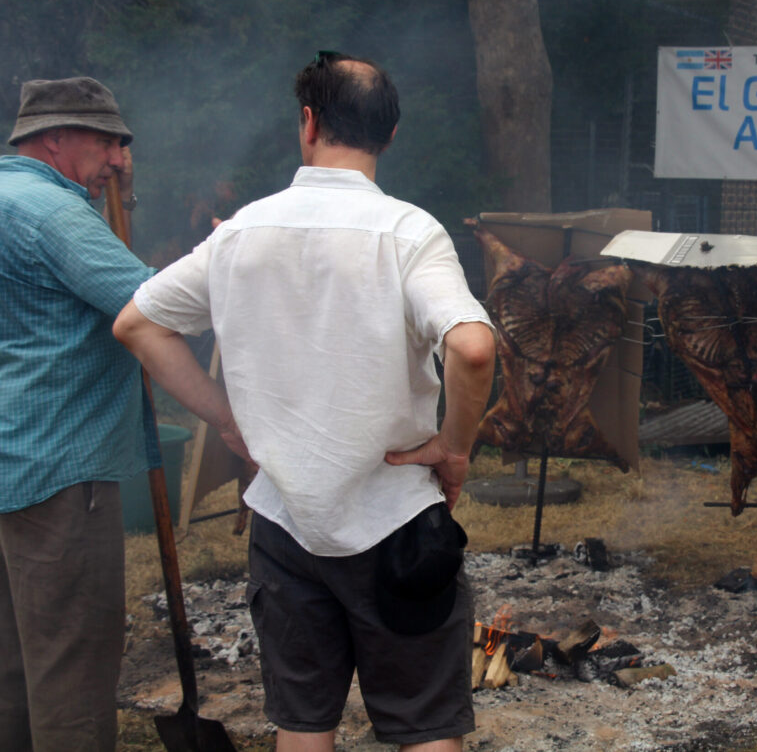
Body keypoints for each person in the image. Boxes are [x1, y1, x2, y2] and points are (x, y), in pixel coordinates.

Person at [114, 52, 495, 752]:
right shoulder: (410, 234)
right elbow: (472, 348)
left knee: (303, 726)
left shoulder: (240, 233)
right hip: (396, 526)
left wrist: (226, 419)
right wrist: (454, 447)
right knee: (425, 729)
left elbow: (138, 325)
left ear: (309, 122)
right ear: (391, 133)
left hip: (284, 524)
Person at [0, 76, 154, 751]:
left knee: (14, 664)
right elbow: (150, 305)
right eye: (107, 142)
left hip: (12, 457)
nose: (118, 159)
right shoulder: (53, 214)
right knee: (72, 674)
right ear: (56, 138)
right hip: (61, 470)